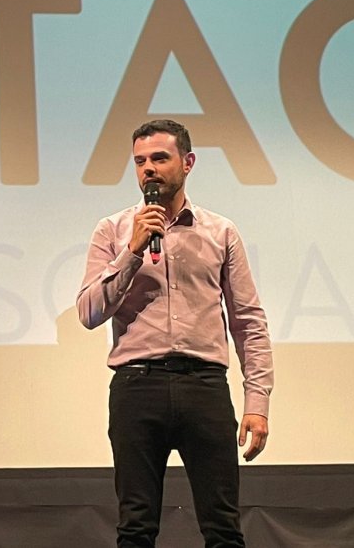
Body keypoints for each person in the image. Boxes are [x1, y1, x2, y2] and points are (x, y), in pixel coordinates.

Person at [76, 120, 274, 548]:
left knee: (223, 527)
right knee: (135, 528)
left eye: (160, 159)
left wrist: (257, 402)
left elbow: (248, 322)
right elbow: (89, 312)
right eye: (140, 161)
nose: (148, 169)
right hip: (136, 387)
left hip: (204, 387)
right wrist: (132, 252)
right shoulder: (112, 231)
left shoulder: (221, 231)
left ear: (187, 163)